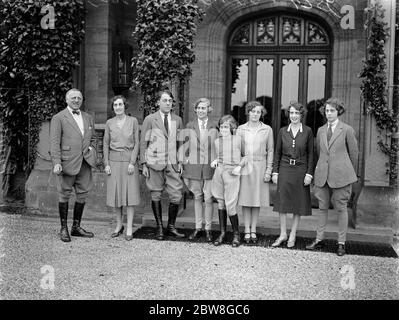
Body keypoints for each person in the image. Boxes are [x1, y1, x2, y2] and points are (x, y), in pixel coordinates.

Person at [306, 98, 359, 256]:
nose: (329, 113)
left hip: (342, 176)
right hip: (322, 176)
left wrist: (349, 173)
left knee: (341, 208)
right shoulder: (321, 130)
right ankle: (319, 239)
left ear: (339, 112)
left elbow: (354, 154)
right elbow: (318, 152)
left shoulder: (347, 130)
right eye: (327, 111)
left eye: (332, 111)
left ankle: (341, 243)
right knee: (322, 208)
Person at [50, 88, 97, 242]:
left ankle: (76, 227)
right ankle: (63, 228)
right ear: (66, 100)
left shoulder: (88, 117)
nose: (76, 100)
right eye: (73, 98)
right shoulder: (59, 118)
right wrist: (57, 163)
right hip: (67, 162)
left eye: (79, 98)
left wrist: (92, 152)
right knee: (64, 193)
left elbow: (93, 139)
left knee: (83, 193)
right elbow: (54, 142)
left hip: (85, 162)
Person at [140, 89, 185, 240]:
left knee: (176, 195)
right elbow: (143, 142)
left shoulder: (177, 120)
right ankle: (159, 227)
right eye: (164, 100)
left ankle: (171, 227)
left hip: (172, 163)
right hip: (154, 162)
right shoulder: (150, 119)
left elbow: (180, 143)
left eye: (170, 101)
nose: (167, 103)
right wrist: (144, 164)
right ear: (158, 102)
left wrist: (180, 161)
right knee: (156, 193)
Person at [271, 102, 314, 248]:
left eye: (297, 113)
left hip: (301, 170)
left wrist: (309, 173)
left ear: (302, 115)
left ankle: (293, 234)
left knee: (298, 202)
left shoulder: (307, 131)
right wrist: (275, 172)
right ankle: (283, 234)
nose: (294, 116)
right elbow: (277, 152)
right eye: (291, 113)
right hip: (284, 168)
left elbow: (311, 154)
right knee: (282, 202)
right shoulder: (283, 131)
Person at [103, 95, 141, 241]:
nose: (118, 107)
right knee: (116, 195)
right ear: (113, 108)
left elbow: (137, 143)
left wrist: (132, 162)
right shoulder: (109, 123)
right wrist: (106, 164)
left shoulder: (133, 121)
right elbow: (105, 144)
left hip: (129, 162)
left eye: (120, 104)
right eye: (115, 105)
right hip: (113, 161)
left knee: (129, 196)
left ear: (125, 106)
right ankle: (119, 225)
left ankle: (130, 227)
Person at [181, 98, 218, 242]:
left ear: (209, 109)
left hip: (209, 165)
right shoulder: (190, 125)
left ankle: (208, 229)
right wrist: (185, 158)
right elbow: (184, 144)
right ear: (195, 110)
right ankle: (198, 228)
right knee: (197, 197)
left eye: (204, 108)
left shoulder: (215, 125)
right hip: (194, 166)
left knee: (208, 198)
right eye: (199, 108)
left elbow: (219, 145)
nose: (201, 111)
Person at [236, 101, 273, 244]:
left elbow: (270, 150)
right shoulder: (240, 129)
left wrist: (269, 170)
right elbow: (236, 150)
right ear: (248, 112)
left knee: (256, 200)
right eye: (253, 111)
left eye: (258, 112)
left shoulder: (267, 129)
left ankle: (253, 230)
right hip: (245, 166)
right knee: (246, 200)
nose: (255, 114)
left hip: (260, 166)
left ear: (261, 114)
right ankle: (246, 230)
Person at [211, 115, 245, 247]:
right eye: (222, 126)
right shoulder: (216, 142)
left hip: (232, 173)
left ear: (232, 127)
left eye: (226, 126)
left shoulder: (238, 139)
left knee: (230, 204)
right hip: (219, 172)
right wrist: (215, 161)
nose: (223, 128)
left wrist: (239, 166)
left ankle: (236, 234)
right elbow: (218, 157)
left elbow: (246, 156)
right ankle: (222, 233)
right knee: (220, 202)